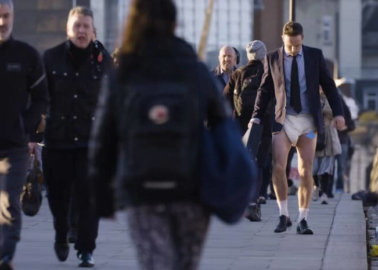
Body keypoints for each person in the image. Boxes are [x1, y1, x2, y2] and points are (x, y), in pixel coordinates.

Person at [89, 0, 229, 269]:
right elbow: (223, 122)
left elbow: (104, 135)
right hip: (190, 188)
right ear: (175, 25)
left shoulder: (125, 72)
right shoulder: (193, 68)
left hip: (142, 187)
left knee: (154, 262)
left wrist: (101, 195)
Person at [251, 21, 345, 234]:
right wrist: (256, 116)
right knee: (278, 166)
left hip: (307, 122)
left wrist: (339, 113)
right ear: (283, 40)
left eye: (297, 45)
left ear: (302, 39)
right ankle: (283, 214)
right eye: (289, 46)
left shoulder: (314, 56)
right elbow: (264, 89)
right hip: (283, 120)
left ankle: (303, 218)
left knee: (306, 170)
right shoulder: (273, 57)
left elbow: (329, 86)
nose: (293, 50)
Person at [42, 6, 111, 267]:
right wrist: (29, 134)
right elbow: (38, 98)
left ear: (94, 31)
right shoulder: (50, 58)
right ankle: (61, 233)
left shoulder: (104, 62)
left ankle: (86, 249)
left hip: (91, 143)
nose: (81, 31)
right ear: (68, 30)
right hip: (58, 142)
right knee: (58, 198)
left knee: (89, 198)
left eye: (86, 27)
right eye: (77, 26)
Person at [0, 0, 48, 269]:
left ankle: (6, 256)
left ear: (13, 16)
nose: (2, 22)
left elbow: (41, 97)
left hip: (14, 147)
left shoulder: (26, 55)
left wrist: (26, 127)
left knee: (7, 200)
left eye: (6, 16)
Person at [224, 40, 268, 221]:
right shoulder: (269, 72)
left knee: (243, 161)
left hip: (242, 124)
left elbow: (224, 101)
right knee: (259, 163)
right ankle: (252, 202)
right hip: (264, 124)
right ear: (263, 55)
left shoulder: (238, 74)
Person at [312, 88, 342, 205]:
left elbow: (337, 113)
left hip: (329, 133)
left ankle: (324, 193)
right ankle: (316, 187)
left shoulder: (333, 98)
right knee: (312, 166)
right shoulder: (311, 95)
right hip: (313, 131)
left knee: (326, 166)